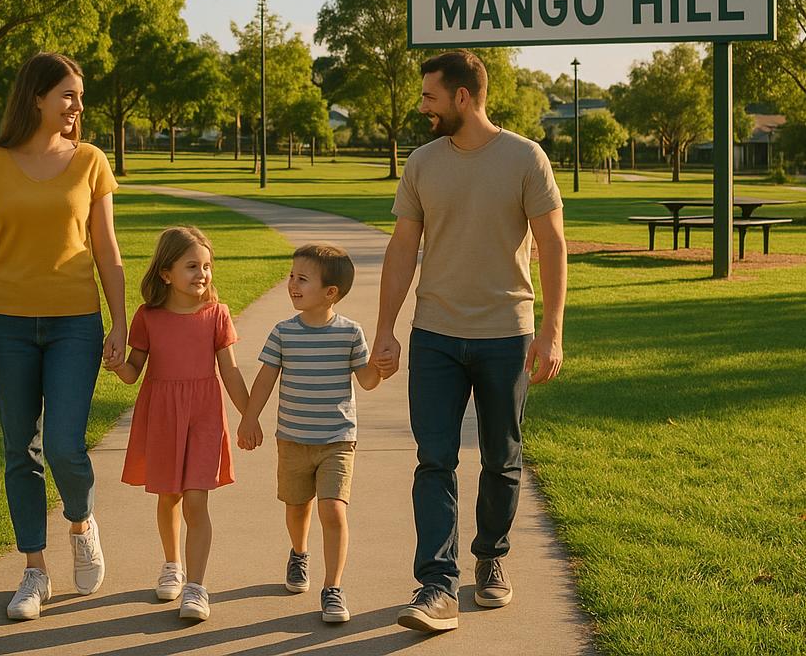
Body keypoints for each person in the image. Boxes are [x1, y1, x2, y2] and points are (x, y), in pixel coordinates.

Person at [371, 49, 566, 634]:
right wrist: (386, 327)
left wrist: (552, 329)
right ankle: (436, 584)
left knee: (502, 459)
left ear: (462, 96)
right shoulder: (423, 162)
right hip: (435, 335)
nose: (422, 106)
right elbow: (403, 247)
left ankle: (491, 558)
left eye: (430, 96)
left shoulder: (525, 158)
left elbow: (553, 245)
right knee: (434, 460)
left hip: (507, 334)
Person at [0, 52, 126, 621]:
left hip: (75, 323)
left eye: (79, 96)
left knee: (63, 446)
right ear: (37, 97)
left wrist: (120, 320)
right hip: (6, 324)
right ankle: (34, 570)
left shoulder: (91, 162)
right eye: (69, 95)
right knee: (18, 449)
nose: (78, 106)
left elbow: (106, 248)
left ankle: (81, 523)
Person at [111, 225, 251, 622]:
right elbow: (133, 371)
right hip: (162, 415)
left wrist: (249, 415)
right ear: (166, 273)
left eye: (206, 266)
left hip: (204, 415)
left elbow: (231, 373)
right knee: (168, 495)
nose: (202, 274)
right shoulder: (148, 317)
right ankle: (172, 564)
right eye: (192, 266)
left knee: (195, 497)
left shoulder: (216, 315)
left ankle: (197, 587)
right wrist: (118, 364)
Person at [238, 243, 381, 624]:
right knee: (296, 507)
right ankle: (299, 553)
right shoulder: (283, 332)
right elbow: (266, 379)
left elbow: (366, 380)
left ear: (330, 292)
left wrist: (382, 365)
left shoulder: (350, 333)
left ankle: (332, 587)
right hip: (293, 439)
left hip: (337, 439)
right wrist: (249, 419)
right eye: (291, 276)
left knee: (332, 509)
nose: (292, 284)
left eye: (302, 278)